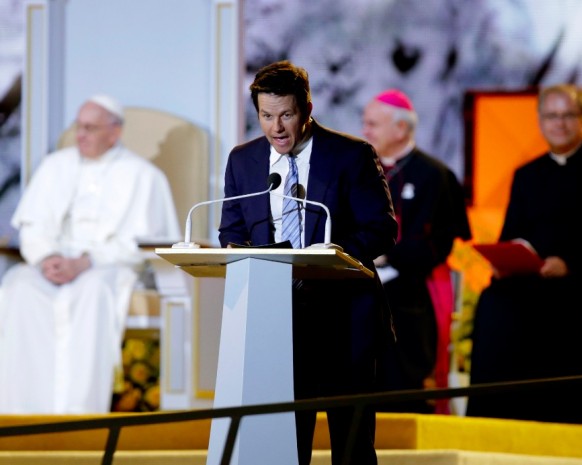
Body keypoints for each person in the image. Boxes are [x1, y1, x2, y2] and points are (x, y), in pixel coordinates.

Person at [219, 61, 397, 465]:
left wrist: (325, 255)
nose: (276, 128)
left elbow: (381, 230)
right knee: (282, 446)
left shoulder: (352, 155)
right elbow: (230, 231)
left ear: (307, 108)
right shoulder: (243, 161)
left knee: (351, 449)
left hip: (344, 318)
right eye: (266, 116)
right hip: (274, 322)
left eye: (286, 115)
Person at [466, 84, 582, 424]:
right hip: (533, 281)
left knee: (552, 314)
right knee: (494, 301)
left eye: (567, 115)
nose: (559, 124)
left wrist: (570, 264)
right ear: (540, 121)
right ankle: (491, 420)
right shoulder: (527, 174)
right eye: (551, 116)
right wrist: (506, 263)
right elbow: (511, 235)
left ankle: (551, 422)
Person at [0, 95, 180, 414]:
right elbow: (32, 227)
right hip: (51, 267)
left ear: (115, 132)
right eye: (78, 127)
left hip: (106, 269)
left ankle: (79, 413)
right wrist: (46, 259)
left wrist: (85, 262)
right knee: (17, 285)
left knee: (93, 292)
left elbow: (144, 244)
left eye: (90, 128)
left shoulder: (144, 176)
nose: (80, 135)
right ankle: (19, 413)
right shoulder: (55, 166)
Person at [362, 89, 472, 414]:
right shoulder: (362, 170)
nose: (365, 131)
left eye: (373, 124)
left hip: (411, 284)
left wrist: (390, 257)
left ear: (400, 129)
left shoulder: (435, 175)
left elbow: (441, 243)